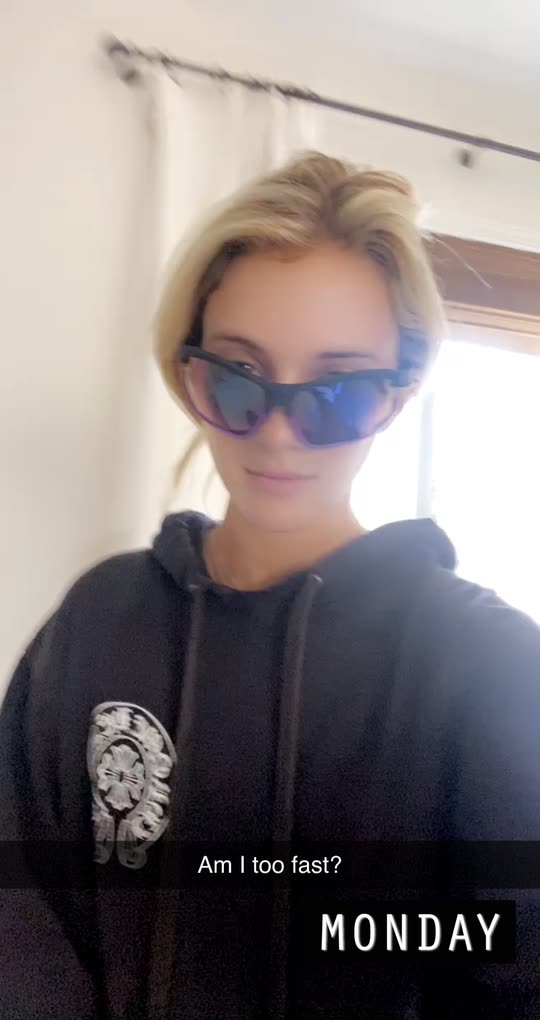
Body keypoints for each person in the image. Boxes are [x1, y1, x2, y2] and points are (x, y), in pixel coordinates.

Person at [2, 151, 540, 1020]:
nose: (281, 434)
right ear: (187, 371)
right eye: (238, 378)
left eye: (337, 392)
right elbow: (23, 915)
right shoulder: (100, 619)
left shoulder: (492, 666)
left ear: (396, 399)